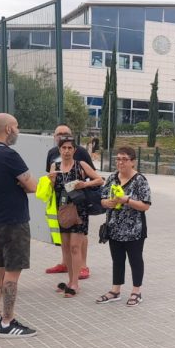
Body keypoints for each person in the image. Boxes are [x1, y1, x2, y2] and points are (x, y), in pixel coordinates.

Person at [0, 113, 38, 338]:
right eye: (16, 126)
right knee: (12, 273)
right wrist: (22, 184)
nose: (18, 130)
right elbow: (32, 185)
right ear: (9, 130)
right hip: (14, 221)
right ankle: (7, 322)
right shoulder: (9, 155)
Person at [95, 146, 152, 307]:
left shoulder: (140, 180)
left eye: (125, 159)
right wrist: (108, 202)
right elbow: (102, 199)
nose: (120, 162)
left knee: (135, 259)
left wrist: (126, 200)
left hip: (134, 229)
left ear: (133, 162)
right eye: (118, 159)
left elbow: (145, 205)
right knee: (117, 260)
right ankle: (115, 290)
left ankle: (136, 292)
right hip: (114, 227)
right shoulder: (112, 177)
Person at [47, 136, 104, 298]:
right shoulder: (54, 166)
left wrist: (84, 184)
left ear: (74, 150)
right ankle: (70, 279)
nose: (66, 151)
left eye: (69, 148)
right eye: (63, 148)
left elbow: (99, 180)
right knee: (66, 248)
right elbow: (50, 189)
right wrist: (50, 182)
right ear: (59, 150)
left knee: (74, 247)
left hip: (79, 211)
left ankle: (75, 283)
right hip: (63, 211)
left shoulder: (81, 165)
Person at [44, 124, 94, 279]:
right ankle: (66, 264)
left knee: (77, 241)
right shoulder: (52, 154)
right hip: (61, 205)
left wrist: (83, 184)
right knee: (65, 241)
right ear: (55, 137)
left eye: (65, 133)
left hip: (79, 204)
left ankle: (83, 266)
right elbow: (51, 181)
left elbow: (95, 177)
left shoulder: (82, 154)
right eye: (59, 134)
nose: (62, 136)